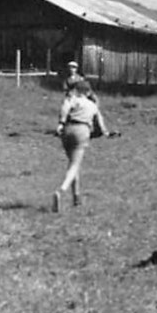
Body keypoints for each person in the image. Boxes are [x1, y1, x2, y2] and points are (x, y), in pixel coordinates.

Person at [52, 78, 108, 212]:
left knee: (72, 163)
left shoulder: (72, 99)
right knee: (75, 164)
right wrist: (102, 133)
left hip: (67, 129)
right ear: (88, 92)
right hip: (82, 130)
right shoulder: (92, 105)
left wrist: (61, 123)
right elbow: (100, 126)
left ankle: (76, 197)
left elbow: (64, 108)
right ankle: (61, 190)